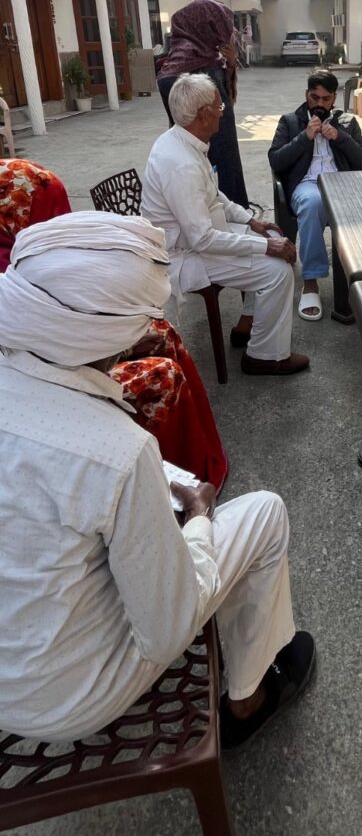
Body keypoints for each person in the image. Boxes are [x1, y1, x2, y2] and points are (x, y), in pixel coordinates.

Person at [0, 211, 315, 748]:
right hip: (70, 697)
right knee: (265, 512)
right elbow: (169, 625)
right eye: (140, 321)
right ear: (104, 333)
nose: (148, 333)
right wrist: (196, 519)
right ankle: (248, 700)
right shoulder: (119, 452)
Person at [0, 158, 228, 489]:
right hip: (34, 385)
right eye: (51, 215)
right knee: (164, 376)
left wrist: (126, 338)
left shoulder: (27, 254)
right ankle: (169, 485)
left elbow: (64, 324)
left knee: (161, 331)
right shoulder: (21, 275)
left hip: (51, 353)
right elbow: (47, 345)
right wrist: (122, 344)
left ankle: (199, 454)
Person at [142, 73, 308, 376]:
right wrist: (267, 246)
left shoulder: (183, 140)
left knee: (269, 240)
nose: (224, 112)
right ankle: (264, 356)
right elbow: (203, 240)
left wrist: (251, 221)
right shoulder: (181, 163)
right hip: (182, 256)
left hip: (197, 237)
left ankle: (248, 326)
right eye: (221, 107)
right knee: (279, 270)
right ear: (204, 115)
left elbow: (213, 193)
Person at [269, 70, 362, 320]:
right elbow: (276, 160)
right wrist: (305, 137)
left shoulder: (346, 122)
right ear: (307, 95)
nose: (320, 104)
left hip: (342, 184)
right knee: (313, 203)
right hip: (307, 184)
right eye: (315, 98)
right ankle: (311, 280)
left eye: (326, 99)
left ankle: (354, 280)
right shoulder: (290, 121)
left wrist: (340, 137)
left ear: (334, 99)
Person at [157, 0, 249, 207]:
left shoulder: (197, 56)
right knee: (217, 184)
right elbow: (221, 107)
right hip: (201, 162)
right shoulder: (186, 72)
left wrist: (231, 62)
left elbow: (227, 97)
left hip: (201, 158)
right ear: (204, 26)